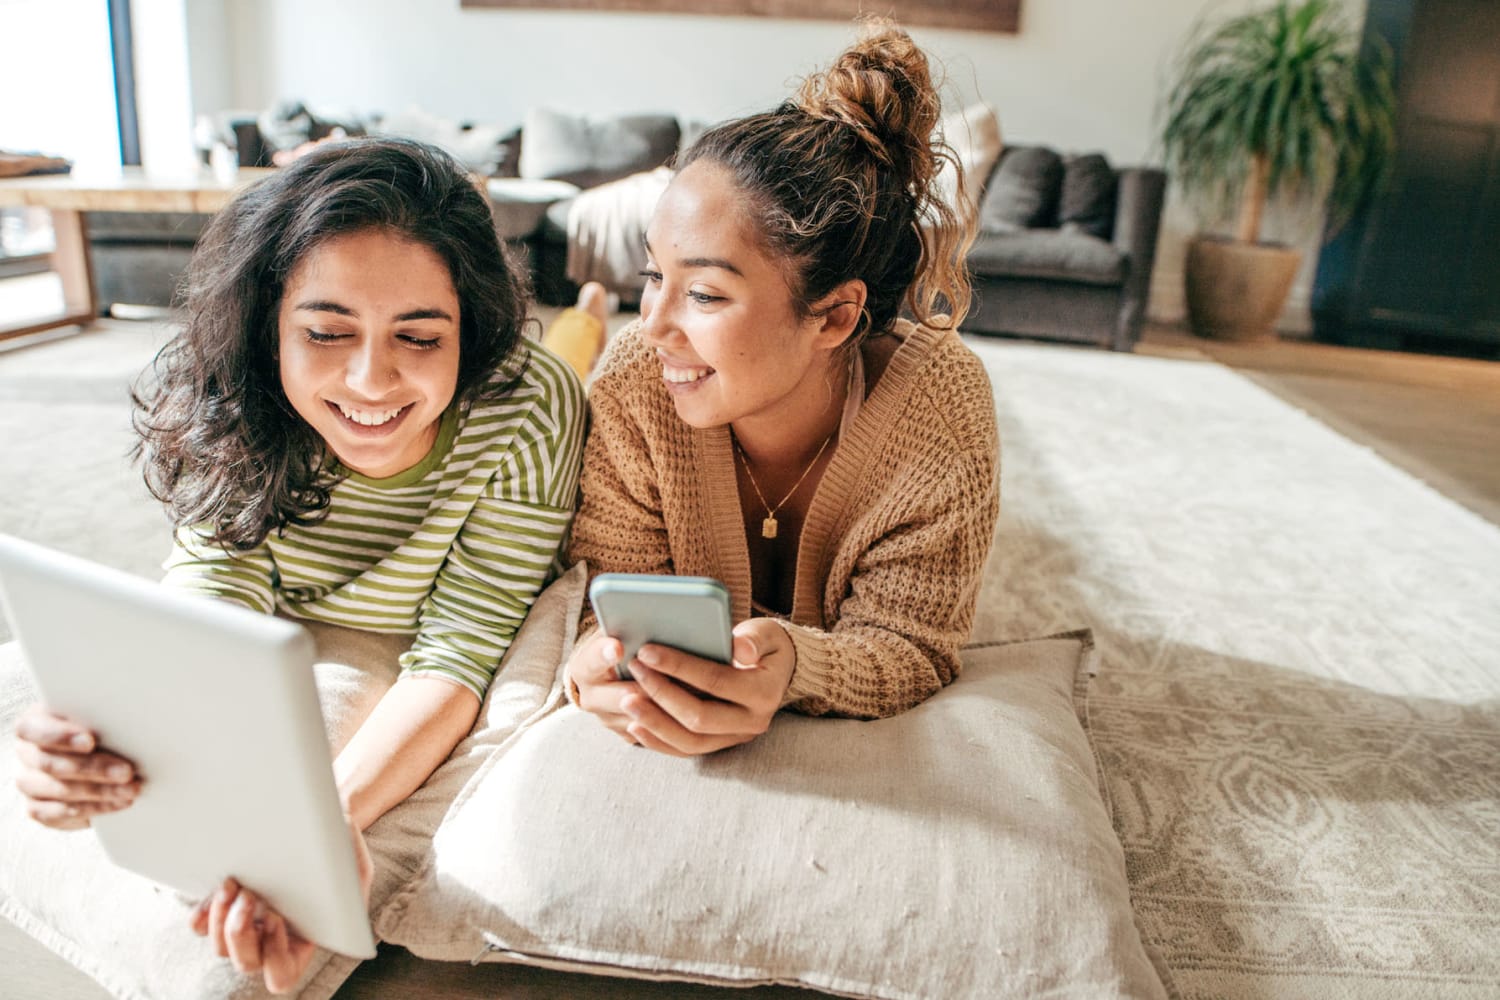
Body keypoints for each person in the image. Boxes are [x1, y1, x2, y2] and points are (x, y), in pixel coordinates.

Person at [10, 137, 586, 991]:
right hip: (295, 593)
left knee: (581, 347)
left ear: (471, 328)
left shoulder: (526, 404)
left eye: (421, 337)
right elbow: (210, 598)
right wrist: (103, 741)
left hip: (542, 397)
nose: (370, 380)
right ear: (268, 323)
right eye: (325, 331)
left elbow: (458, 648)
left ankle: (594, 313)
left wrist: (313, 833)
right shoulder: (232, 394)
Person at [564, 18, 1000, 756]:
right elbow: (602, 592)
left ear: (833, 316)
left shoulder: (941, 411)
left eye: (703, 294)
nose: (657, 324)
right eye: (652, 277)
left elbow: (914, 644)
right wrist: (593, 663)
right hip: (584, 372)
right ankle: (584, 312)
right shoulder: (635, 380)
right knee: (567, 356)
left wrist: (800, 665)